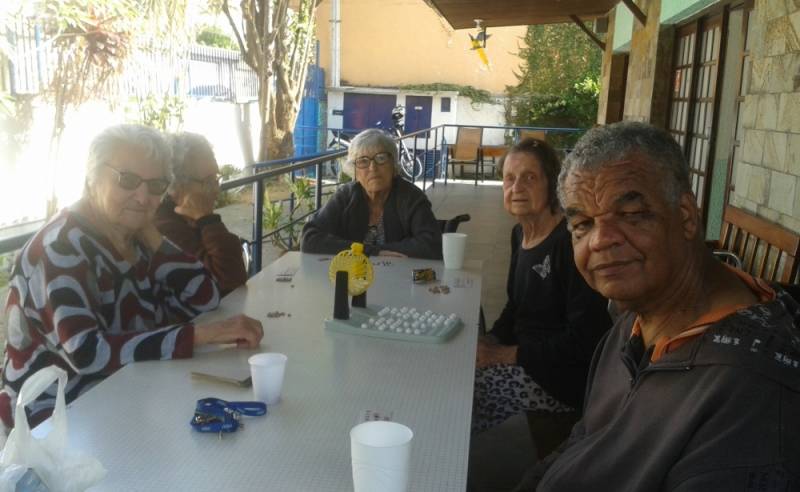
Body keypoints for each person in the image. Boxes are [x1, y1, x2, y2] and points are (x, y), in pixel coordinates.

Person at [518, 122, 800, 490]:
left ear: (685, 217)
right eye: (583, 225)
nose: (601, 240)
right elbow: (583, 439)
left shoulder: (754, 395)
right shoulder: (631, 322)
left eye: (631, 216)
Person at [0, 124, 263, 430]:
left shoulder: (135, 236)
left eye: (155, 186)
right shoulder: (59, 250)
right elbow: (87, 352)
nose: (143, 197)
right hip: (58, 420)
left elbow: (205, 296)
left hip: (134, 396)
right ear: (91, 178)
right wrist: (203, 335)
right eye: (128, 181)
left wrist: (155, 239)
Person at [472, 138, 611, 439]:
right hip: (526, 362)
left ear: (552, 185)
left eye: (530, 178)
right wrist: (490, 341)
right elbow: (515, 307)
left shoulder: (570, 243)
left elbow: (587, 339)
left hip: (557, 381)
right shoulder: (518, 233)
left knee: (460, 398)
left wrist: (507, 354)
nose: (516, 187)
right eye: (509, 179)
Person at [301, 129, 441, 259]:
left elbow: (432, 245)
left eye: (381, 158)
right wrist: (373, 252)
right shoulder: (345, 196)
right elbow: (309, 238)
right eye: (363, 161)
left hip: (400, 277)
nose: (372, 168)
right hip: (352, 278)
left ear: (393, 164)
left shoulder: (411, 197)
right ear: (355, 170)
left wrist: (372, 251)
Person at [155, 132, 247, 295]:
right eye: (208, 182)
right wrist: (208, 221)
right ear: (176, 186)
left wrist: (205, 220)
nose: (217, 191)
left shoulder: (191, 217)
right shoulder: (164, 229)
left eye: (216, 179)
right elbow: (229, 282)